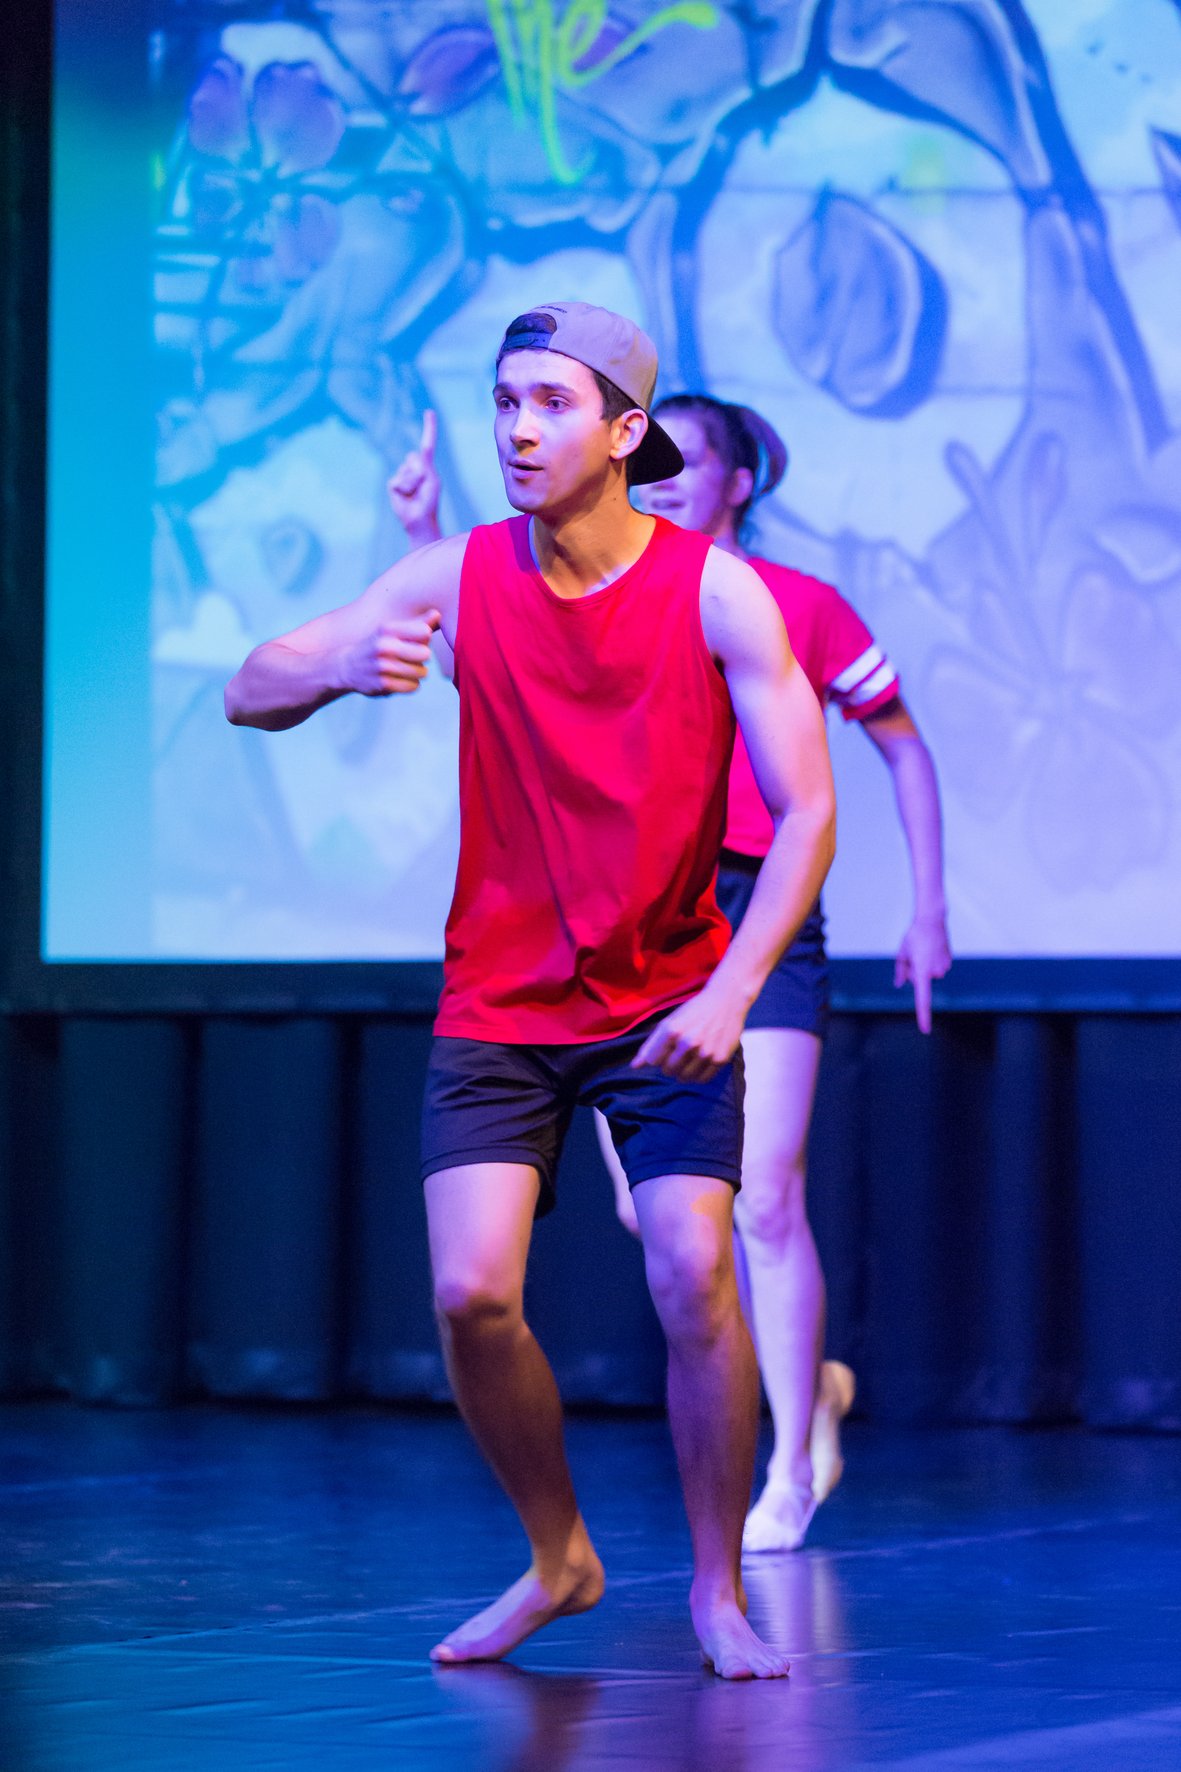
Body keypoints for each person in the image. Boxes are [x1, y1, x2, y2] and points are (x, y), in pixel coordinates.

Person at [226, 302, 836, 1678]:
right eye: (505, 400)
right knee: (469, 1297)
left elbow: (806, 813)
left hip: (664, 996)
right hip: (500, 1000)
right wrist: (334, 667)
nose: (516, 428)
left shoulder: (716, 593)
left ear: (625, 433)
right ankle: (560, 1556)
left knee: (693, 1269)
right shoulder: (456, 572)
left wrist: (734, 991)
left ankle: (717, 1589)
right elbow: (246, 691)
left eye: (552, 403)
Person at [388, 391, 952, 1555]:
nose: (666, 474)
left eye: (690, 459)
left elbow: (898, 745)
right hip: (624, 921)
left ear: (737, 481)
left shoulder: (784, 601)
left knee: (766, 1193)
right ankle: (805, 1386)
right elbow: (483, 673)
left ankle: (789, 1465)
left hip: (751, 910)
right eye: (655, 458)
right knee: (655, 1214)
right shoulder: (591, 589)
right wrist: (423, 537)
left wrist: (928, 905)